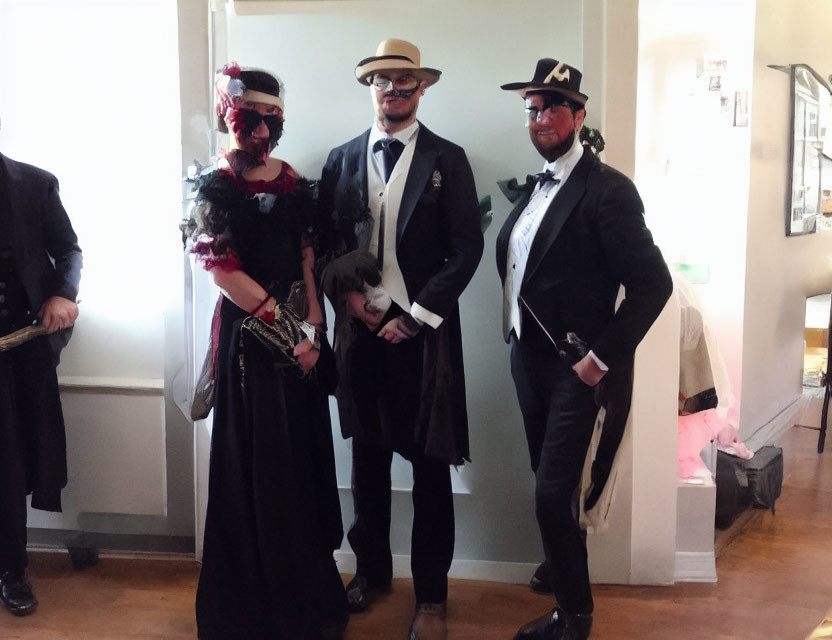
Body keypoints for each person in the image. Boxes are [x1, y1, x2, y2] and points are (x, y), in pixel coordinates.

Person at [496, 59, 672, 640]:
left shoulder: (609, 190)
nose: (540, 116)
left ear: (578, 114)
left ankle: (575, 617)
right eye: (532, 107)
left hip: (577, 367)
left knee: (550, 493)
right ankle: (560, 560)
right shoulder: (538, 185)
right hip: (529, 357)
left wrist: (599, 360)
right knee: (548, 479)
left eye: (552, 106)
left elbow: (654, 284)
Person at [319, 39, 483, 640]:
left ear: (423, 88)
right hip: (359, 335)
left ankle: (432, 596)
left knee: (430, 468)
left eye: (405, 81)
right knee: (366, 461)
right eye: (383, 80)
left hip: (423, 338)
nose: (393, 90)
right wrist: (351, 302)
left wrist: (414, 315)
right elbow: (328, 244)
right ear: (371, 87)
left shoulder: (449, 159)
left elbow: (467, 248)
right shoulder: (340, 159)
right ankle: (371, 573)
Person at [190, 63, 347, 640]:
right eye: (249, 120)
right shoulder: (213, 186)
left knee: (300, 463)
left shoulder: (294, 183)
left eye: (270, 122)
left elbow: (308, 261)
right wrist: (289, 333)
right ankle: (255, 606)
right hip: (248, 349)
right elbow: (224, 273)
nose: (259, 134)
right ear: (231, 118)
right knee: (260, 466)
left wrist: (314, 331)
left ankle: (306, 596)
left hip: (299, 346)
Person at [0, 149, 82, 617]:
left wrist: (60, 294)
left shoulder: (34, 183)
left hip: (16, 347)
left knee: (9, 462)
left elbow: (68, 249)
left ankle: (11, 570)